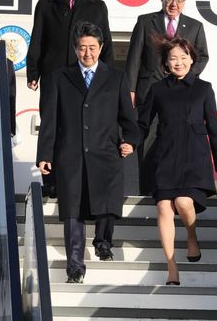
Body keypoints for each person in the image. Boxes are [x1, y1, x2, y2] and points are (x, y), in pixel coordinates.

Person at [36, 21, 139, 284]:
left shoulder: (115, 77)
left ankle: (103, 242)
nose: (87, 53)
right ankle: (75, 267)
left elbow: (128, 119)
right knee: (72, 211)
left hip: (106, 152)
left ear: (101, 47)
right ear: (75, 49)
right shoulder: (58, 77)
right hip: (69, 154)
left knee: (106, 203)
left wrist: (131, 141)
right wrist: (45, 154)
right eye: (82, 48)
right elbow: (49, 120)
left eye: (92, 47)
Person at [138, 35, 217, 285]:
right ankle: (172, 266)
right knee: (163, 206)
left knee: (184, 202)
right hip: (166, 156)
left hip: (194, 157)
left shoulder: (204, 89)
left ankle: (191, 235)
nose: (178, 62)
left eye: (183, 57)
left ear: (192, 59)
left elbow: (214, 127)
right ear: (166, 63)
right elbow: (143, 123)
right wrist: (127, 142)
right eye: (173, 58)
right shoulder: (157, 90)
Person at [27, 0, 114, 197]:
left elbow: (105, 43)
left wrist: (107, 78)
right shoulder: (46, 3)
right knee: (52, 126)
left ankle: (81, 182)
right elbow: (38, 39)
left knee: (80, 127)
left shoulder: (97, 6)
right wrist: (34, 71)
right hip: (54, 76)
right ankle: (51, 183)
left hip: (84, 79)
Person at [125, 0, 209, 194]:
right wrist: (130, 89)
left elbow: (202, 57)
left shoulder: (195, 26)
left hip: (180, 95)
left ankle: (174, 191)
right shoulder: (145, 21)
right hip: (148, 92)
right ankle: (146, 191)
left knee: (175, 145)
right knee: (148, 142)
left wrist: (186, 77)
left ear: (185, 0)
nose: (174, 4)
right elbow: (133, 58)